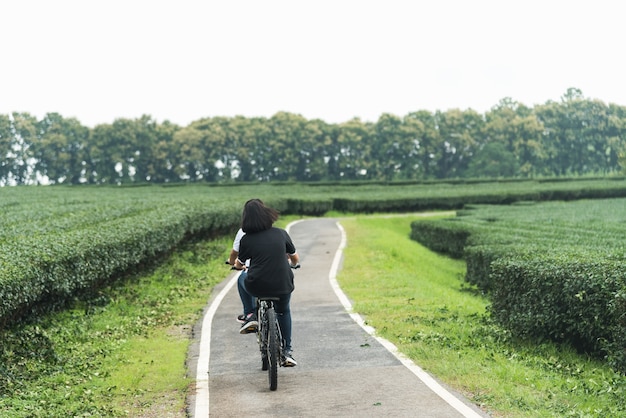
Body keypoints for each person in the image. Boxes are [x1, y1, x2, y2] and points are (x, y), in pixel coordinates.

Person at [232, 198, 300, 367]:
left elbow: (240, 263)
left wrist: (237, 266)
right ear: (267, 214)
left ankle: (250, 314)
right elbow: (295, 258)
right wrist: (294, 264)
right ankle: (287, 351)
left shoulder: (246, 240)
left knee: (242, 279)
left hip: (257, 285)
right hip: (283, 283)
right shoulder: (281, 233)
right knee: (283, 311)